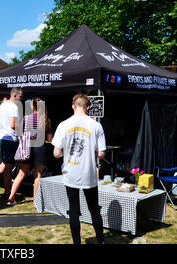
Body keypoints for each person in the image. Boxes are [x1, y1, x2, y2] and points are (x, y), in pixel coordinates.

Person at [51, 93, 106, 244]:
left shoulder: (63, 125)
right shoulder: (96, 125)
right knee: (94, 209)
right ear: (88, 107)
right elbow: (101, 154)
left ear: (73, 106)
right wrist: (92, 150)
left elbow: (56, 153)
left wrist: (65, 152)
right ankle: (101, 240)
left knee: (74, 211)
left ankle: (77, 242)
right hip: (89, 173)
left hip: (71, 173)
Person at [7, 98, 53, 206]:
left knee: (21, 174)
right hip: (40, 147)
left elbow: (18, 132)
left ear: (33, 107)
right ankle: (35, 202)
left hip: (27, 147)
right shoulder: (46, 120)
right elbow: (50, 138)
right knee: (38, 175)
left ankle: (11, 197)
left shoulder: (26, 118)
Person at [0, 87, 23, 198]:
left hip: (1, 137)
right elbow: (12, 125)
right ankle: (7, 192)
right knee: (8, 166)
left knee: (4, 162)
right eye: (20, 97)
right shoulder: (13, 107)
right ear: (14, 95)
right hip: (9, 138)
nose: (21, 99)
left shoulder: (3, 105)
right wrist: (21, 128)